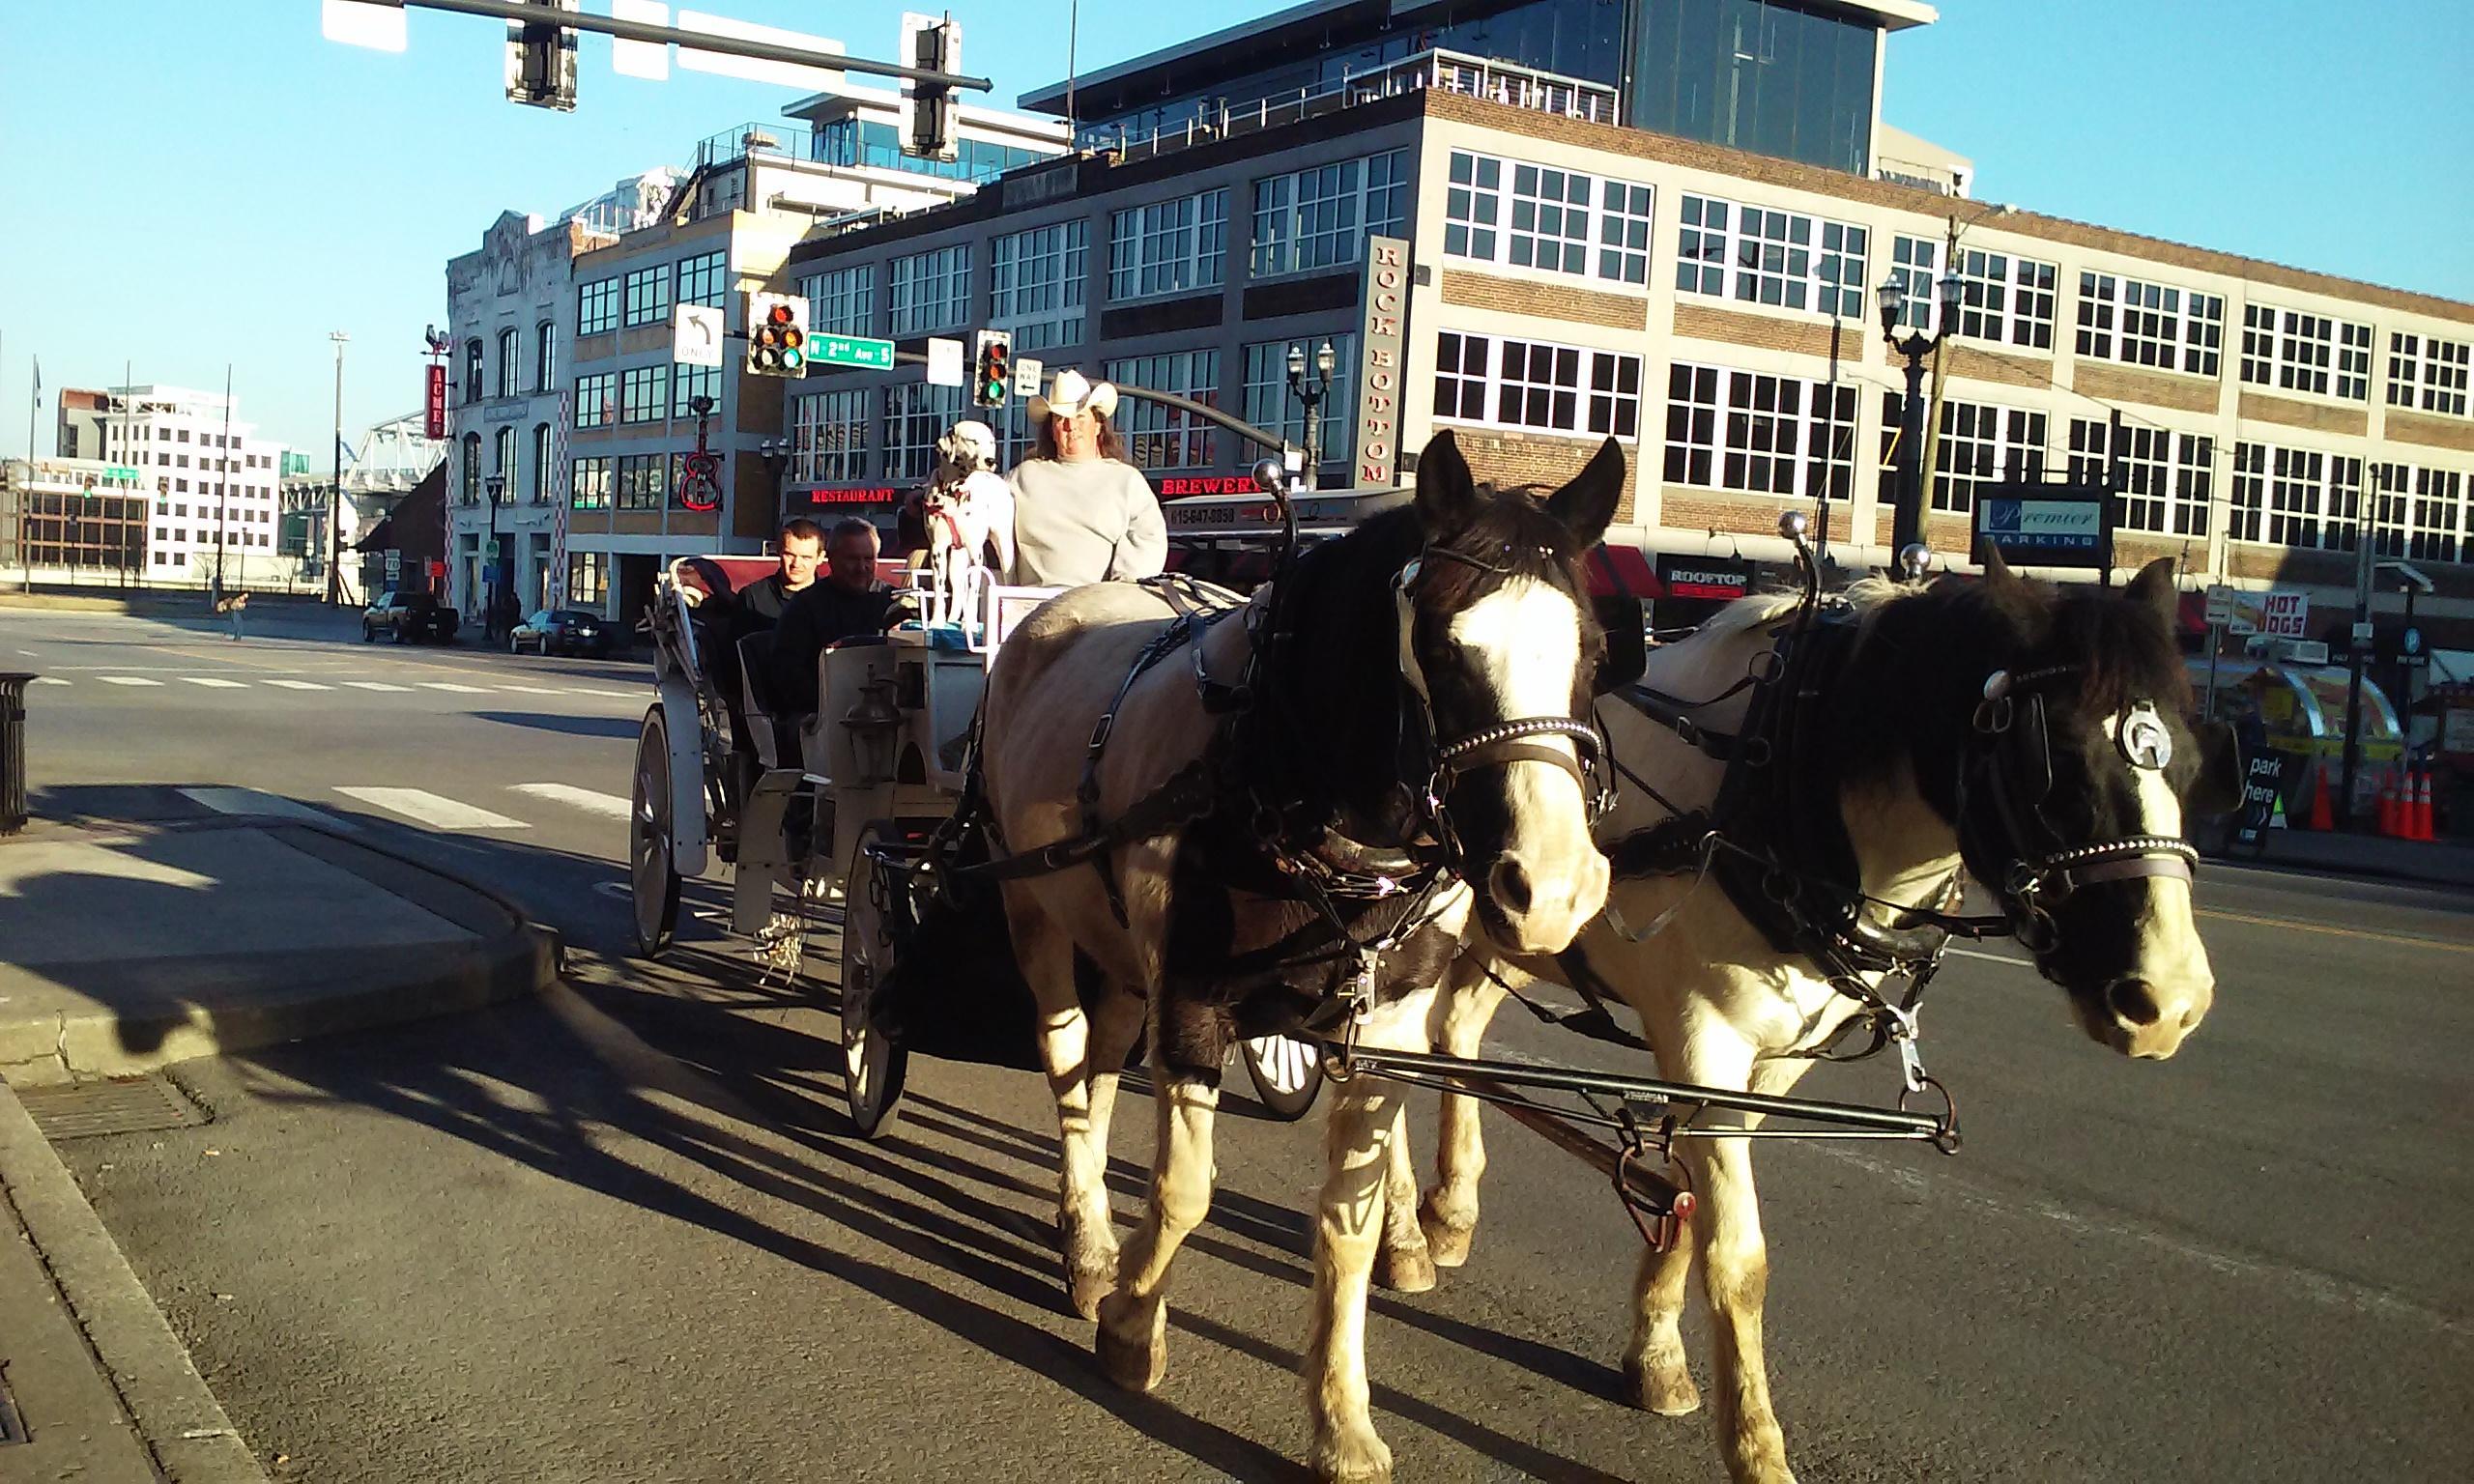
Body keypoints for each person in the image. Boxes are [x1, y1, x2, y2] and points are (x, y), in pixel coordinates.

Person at [1005, 370, 1166, 585]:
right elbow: (982, 508)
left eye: (1079, 417)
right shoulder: (1022, 477)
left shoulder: (1127, 481)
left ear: (1098, 425)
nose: (1070, 426)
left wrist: (1118, 596)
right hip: (1028, 607)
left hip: (1096, 610)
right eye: (1060, 419)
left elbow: (1148, 542)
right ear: (1052, 430)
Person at [771, 518, 895, 715]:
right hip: (824, 717)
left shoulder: (893, 603)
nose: (861, 567)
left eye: (868, 559)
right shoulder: (804, 607)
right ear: (831, 559)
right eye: (852, 559)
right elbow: (787, 675)